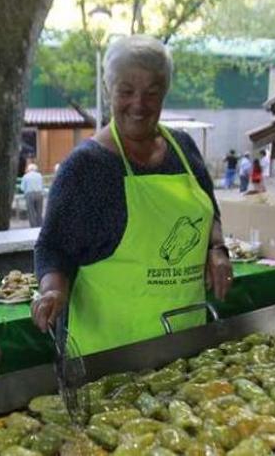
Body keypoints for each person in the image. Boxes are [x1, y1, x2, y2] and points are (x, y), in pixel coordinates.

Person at [31, 35, 232, 355]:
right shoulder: (85, 167)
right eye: (126, 91)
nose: (139, 104)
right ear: (109, 89)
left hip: (187, 341)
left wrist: (217, 249)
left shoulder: (184, 148)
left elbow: (210, 212)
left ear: (164, 92)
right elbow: (52, 246)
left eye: (151, 93)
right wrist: (52, 291)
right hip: (111, 356)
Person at [21, 163, 45, 227]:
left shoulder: (25, 176)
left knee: (31, 212)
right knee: (39, 212)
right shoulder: (39, 175)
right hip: (39, 194)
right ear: (35, 169)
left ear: (29, 169)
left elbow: (22, 188)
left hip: (29, 195)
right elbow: (42, 186)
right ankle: (40, 226)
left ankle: (33, 227)